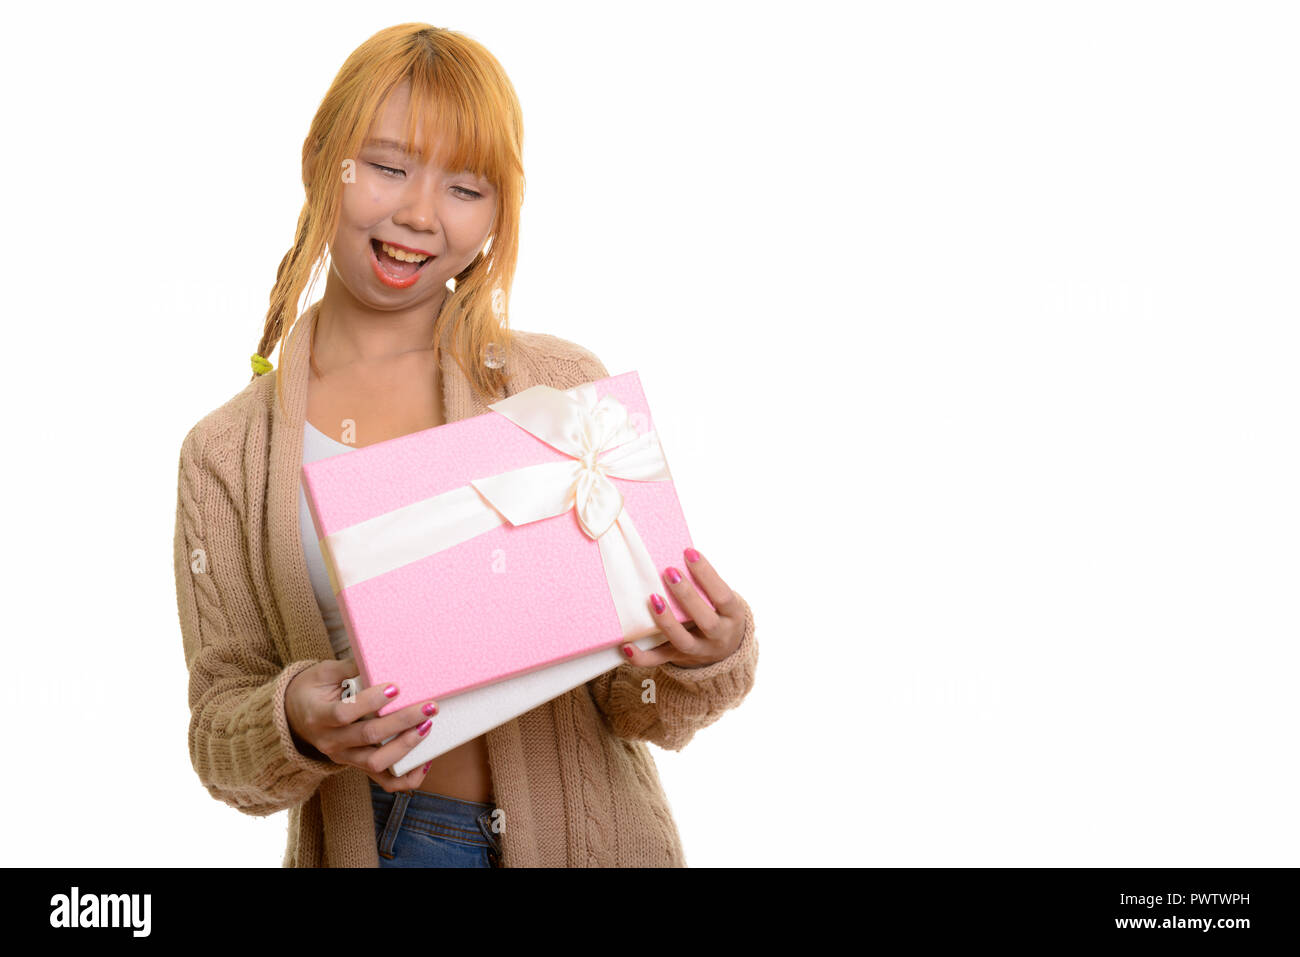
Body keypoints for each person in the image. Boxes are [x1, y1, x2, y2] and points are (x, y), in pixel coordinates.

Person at [172, 22, 759, 867]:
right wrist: (296, 711)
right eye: (386, 166)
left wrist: (703, 656)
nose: (418, 213)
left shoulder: (558, 390)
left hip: (594, 844)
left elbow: (637, 704)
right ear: (319, 162)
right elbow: (218, 732)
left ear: (499, 209)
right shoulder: (225, 453)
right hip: (383, 842)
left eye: (466, 186)